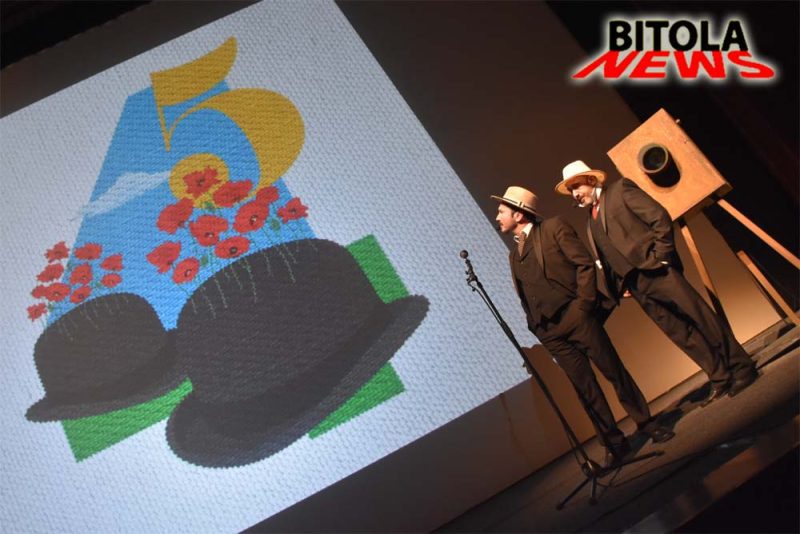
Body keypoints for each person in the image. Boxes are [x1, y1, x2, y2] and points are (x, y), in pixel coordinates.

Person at [492, 186, 673, 463]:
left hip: (577, 318)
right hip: (551, 332)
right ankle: (614, 444)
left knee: (614, 372)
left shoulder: (553, 228)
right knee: (585, 389)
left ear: (518, 214)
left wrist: (583, 307)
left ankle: (647, 424)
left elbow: (584, 265)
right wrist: (536, 327)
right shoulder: (514, 254)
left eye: (501, 211)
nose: (497, 217)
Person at [554, 160, 758, 405]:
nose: (575, 194)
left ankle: (741, 366)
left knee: (699, 317)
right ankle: (719, 376)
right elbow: (606, 256)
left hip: (658, 272)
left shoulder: (620, 190)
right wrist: (621, 284)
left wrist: (661, 257)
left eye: (576, 186)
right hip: (637, 286)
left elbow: (658, 217)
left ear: (590, 180)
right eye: (571, 191)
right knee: (680, 332)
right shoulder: (590, 220)